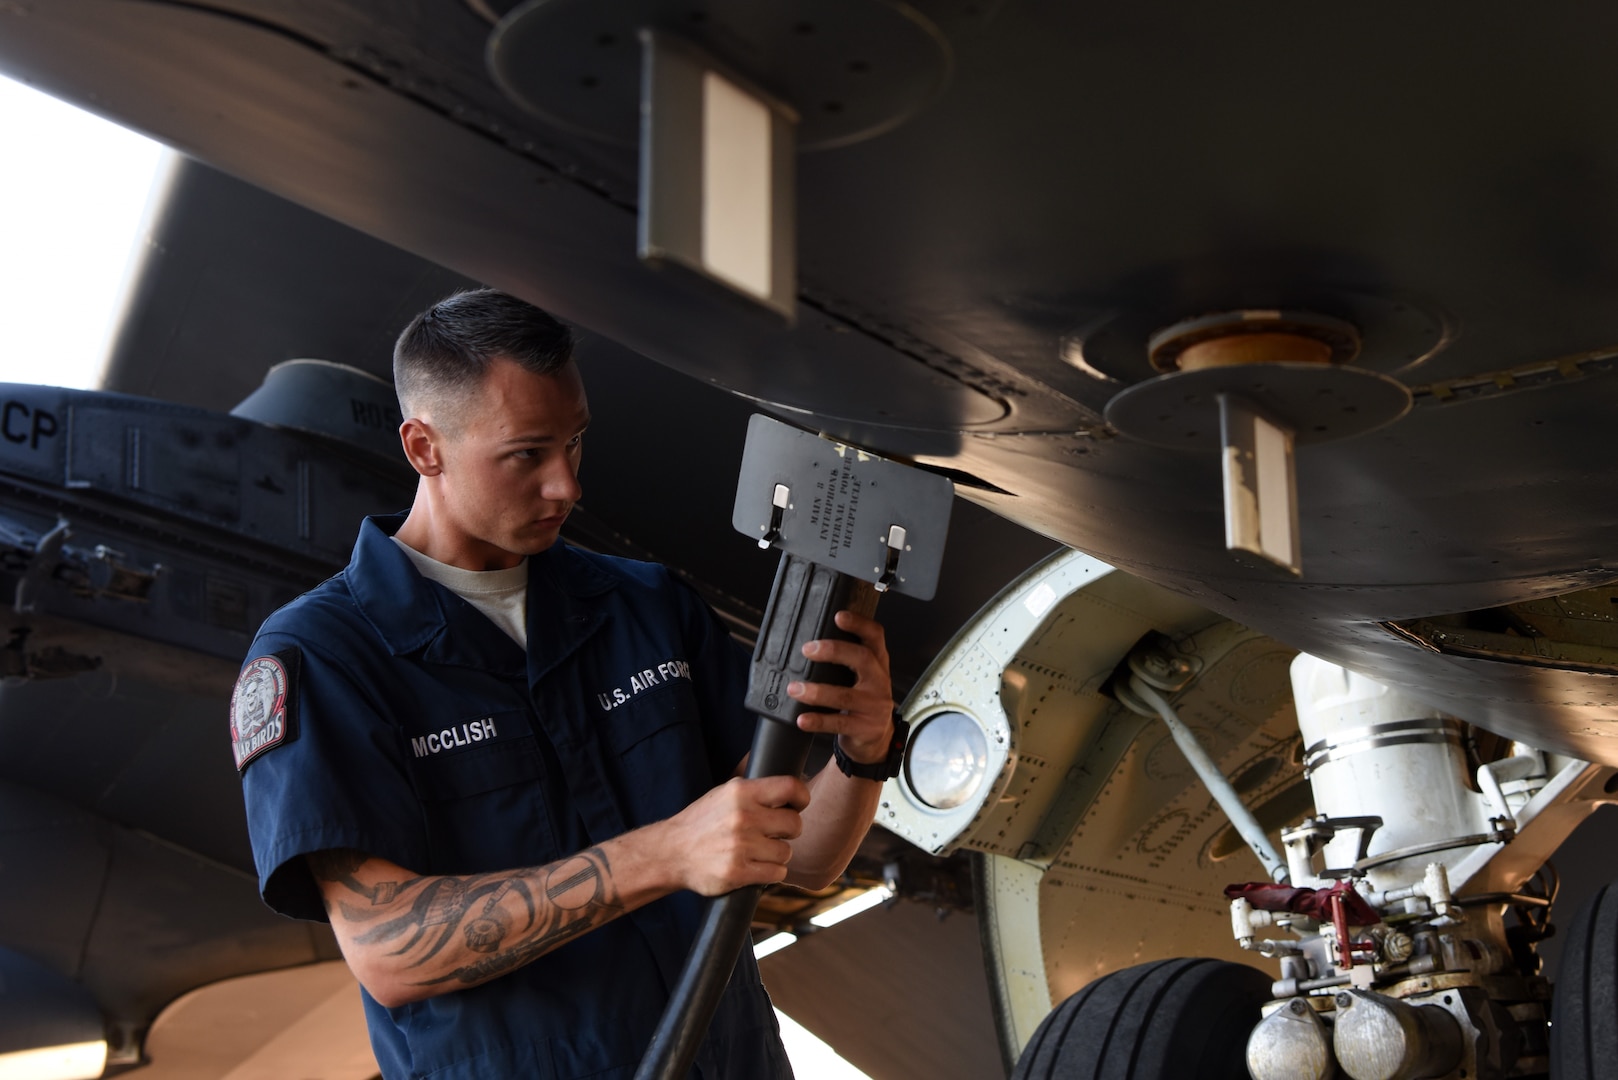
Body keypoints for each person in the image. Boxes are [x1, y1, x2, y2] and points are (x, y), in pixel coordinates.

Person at [232, 289, 902, 1080]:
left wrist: (863, 752)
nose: (567, 487)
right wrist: (664, 853)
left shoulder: (646, 605)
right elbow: (387, 951)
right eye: (526, 454)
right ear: (424, 447)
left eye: (574, 444)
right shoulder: (325, 657)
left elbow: (801, 858)